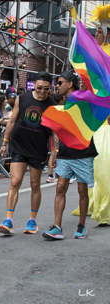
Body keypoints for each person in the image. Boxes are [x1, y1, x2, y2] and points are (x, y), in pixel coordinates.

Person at [0, 71, 57, 236]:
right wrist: (5, 142)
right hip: (19, 145)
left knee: (35, 185)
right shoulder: (22, 98)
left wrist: (55, 151)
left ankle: (32, 221)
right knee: (15, 182)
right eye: (40, 88)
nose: (43, 92)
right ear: (34, 85)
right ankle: (8, 220)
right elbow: (11, 121)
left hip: (38, 149)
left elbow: (55, 131)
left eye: (46, 89)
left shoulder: (52, 105)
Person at [42, 71, 98, 240]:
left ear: (70, 84)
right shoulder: (64, 103)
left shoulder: (83, 99)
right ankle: (57, 227)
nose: (57, 86)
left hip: (83, 152)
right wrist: (56, 152)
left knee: (82, 190)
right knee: (60, 188)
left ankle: (81, 227)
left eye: (60, 83)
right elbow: (60, 130)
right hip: (66, 153)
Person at [71, 8, 110, 226]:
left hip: (107, 120)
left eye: (99, 31)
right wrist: (76, 19)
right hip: (98, 117)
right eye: (94, 31)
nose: (95, 35)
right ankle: (97, 203)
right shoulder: (96, 52)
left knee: (104, 166)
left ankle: (105, 209)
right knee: (95, 167)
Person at [46, 92, 65, 183]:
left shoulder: (51, 109)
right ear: (61, 100)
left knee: (53, 153)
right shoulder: (62, 109)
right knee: (58, 154)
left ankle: (50, 175)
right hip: (60, 134)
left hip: (52, 134)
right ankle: (58, 174)